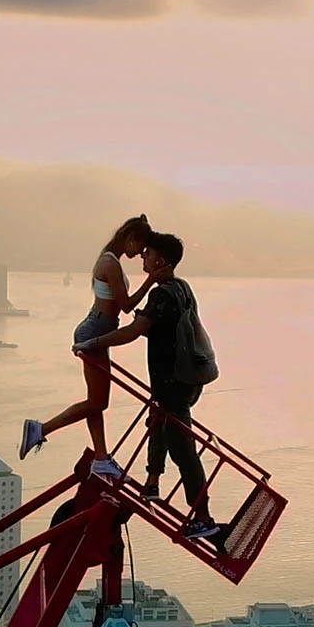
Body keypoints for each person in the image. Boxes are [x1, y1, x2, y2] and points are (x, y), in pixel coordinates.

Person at [77, 232, 219, 540]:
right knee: (158, 421)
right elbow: (155, 329)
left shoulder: (162, 295)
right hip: (184, 380)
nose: (142, 257)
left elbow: (134, 330)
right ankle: (152, 483)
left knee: (184, 450)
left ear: (161, 261)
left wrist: (93, 342)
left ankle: (203, 517)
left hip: (172, 382)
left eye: (147, 254)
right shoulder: (181, 288)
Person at [22, 214, 151, 466]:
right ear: (130, 238)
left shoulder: (111, 261)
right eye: (140, 246)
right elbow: (125, 306)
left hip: (97, 331)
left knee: (96, 401)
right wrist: (151, 280)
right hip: (94, 333)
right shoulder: (110, 264)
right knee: (98, 401)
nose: (139, 254)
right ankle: (40, 429)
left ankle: (101, 457)